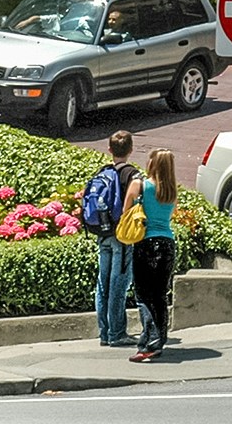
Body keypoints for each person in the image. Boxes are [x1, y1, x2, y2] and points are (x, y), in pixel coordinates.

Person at [122, 148, 178, 362]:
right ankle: (159, 340)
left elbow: (126, 212)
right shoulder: (172, 191)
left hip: (146, 244)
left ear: (152, 164)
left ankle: (150, 342)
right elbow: (169, 217)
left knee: (144, 295)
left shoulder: (140, 185)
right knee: (160, 295)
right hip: (167, 243)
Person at [96, 131, 140, 348]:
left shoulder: (103, 172)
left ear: (110, 150)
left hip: (102, 233)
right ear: (130, 150)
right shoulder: (132, 174)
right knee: (118, 284)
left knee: (103, 283)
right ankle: (117, 333)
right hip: (122, 235)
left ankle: (104, 332)